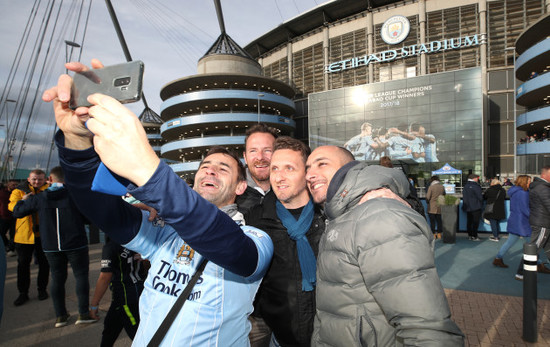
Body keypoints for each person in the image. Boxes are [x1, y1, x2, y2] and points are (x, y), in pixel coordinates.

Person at [42, 59, 273, 345]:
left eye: (223, 168)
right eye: (205, 166)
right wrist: (76, 141)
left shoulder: (255, 236)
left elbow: (234, 250)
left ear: (241, 186)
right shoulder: (162, 230)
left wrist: (149, 173)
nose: (210, 170)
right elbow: (100, 208)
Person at [305, 145, 464, 346]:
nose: (310, 174)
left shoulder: (379, 214)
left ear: (350, 168)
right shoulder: (340, 216)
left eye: (322, 164)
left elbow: (425, 327)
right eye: (308, 168)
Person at [247, 137, 324, 347]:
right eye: (275, 169)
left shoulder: (327, 213)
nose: (279, 177)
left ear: (307, 173)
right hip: (279, 335)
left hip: (327, 335)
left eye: (289, 168)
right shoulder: (256, 218)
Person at [12, 166, 96, 327]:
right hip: (75, 243)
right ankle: (83, 313)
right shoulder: (75, 196)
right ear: (67, 179)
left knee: (57, 278)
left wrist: (22, 201)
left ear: (50, 180)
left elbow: (17, 213)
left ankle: (61, 316)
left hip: (51, 244)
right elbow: (89, 218)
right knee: (80, 277)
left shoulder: (40, 198)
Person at [89, 237, 147, 346]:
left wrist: (94, 304)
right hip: (137, 293)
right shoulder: (137, 240)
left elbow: (105, 277)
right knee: (110, 328)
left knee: (138, 336)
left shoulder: (111, 247)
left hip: (126, 299)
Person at [492, 175, 550, 274]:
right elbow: (525, 209)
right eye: (528, 181)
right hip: (523, 223)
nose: (530, 183)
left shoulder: (515, 192)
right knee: (533, 246)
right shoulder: (523, 193)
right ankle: (538, 265)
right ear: (524, 182)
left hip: (515, 221)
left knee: (511, 242)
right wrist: (535, 216)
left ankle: (498, 258)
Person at [8, 169, 50, 306]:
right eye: (34, 179)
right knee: (23, 265)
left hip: (43, 234)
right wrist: (24, 201)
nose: (37, 182)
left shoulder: (48, 190)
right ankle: (23, 293)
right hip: (24, 235)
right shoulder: (18, 191)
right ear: (28, 179)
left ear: (45, 179)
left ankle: (42, 290)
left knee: (44, 264)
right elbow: (12, 207)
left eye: (40, 179)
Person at [515, 166, 550, 280]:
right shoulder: (543, 188)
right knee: (534, 249)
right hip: (542, 223)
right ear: (545, 175)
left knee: (545, 248)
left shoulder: (539, 187)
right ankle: (521, 273)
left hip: (541, 222)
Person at [236, 123, 278, 218]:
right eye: (253, 151)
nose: (260, 157)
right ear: (245, 157)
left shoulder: (292, 192)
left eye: (267, 150)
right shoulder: (230, 193)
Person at [462, 173, 483, 241]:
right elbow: (480, 196)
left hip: (468, 206)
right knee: (475, 222)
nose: (478, 179)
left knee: (469, 221)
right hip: (476, 206)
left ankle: (470, 235)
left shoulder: (466, 186)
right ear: (474, 178)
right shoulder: (476, 186)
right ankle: (475, 235)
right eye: (477, 178)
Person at [0, 180, 17, 257]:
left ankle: (11, 248)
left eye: (15, 184)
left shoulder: (17, 193)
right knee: (1, 232)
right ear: (8, 185)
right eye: (12, 184)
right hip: (4, 216)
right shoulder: (2, 193)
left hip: (14, 216)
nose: (14, 186)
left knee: (13, 234)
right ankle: (7, 245)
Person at [426, 175, 446, 239]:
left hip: (432, 206)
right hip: (439, 206)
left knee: (432, 221)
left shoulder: (431, 187)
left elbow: (428, 197)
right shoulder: (442, 187)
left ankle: (434, 234)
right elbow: (444, 195)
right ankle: (439, 233)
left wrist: (427, 202)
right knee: (439, 220)